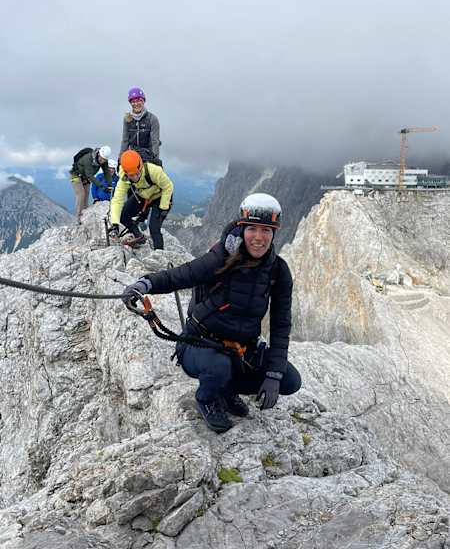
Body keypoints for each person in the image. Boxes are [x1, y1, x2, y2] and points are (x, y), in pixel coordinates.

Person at [122, 193, 302, 433]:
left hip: (242, 349)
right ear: (242, 228)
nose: (259, 238)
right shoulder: (222, 257)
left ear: (274, 234)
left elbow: (281, 324)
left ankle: (227, 390)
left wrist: (274, 373)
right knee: (218, 368)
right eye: (252, 230)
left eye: (266, 231)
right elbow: (183, 275)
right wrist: (145, 284)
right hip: (200, 345)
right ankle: (207, 398)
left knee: (289, 380)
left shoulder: (278, 271)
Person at [110, 149, 173, 249]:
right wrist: (114, 223)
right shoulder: (124, 177)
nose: (135, 177)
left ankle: (160, 254)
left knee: (154, 228)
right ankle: (138, 236)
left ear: (141, 166)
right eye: (132, 175)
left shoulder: (153, 170)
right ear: (126, 173)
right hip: (143, 195)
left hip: (160, 196)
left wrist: (164, 207)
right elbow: (117, 200)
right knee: (123, 216)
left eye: (137, 173)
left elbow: (168, 186)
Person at [119, 87, 161, 166]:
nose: (136, 104)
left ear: (143, 101)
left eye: (139, 100)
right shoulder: (127, 119)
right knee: (125, 175)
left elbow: (155, 141)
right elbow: (125, 140)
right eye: (133, 101)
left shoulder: (152, 118)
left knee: (152, 175)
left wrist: (155, 159)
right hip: (132, 155)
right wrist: (120, 158)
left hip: (148, 155)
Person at [70, 146, 112, 224]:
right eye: (101, 158)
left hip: (85, 177)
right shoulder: (88, 158)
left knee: (86, 196)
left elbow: (107, 173)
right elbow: (90, 175)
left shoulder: (104, 161)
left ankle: (85, 217)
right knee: (81, 195)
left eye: (104, 160)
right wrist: (102, 187)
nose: (101, 161)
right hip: (76, 175)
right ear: (98, 154)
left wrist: (110, 186)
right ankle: (78, 218)